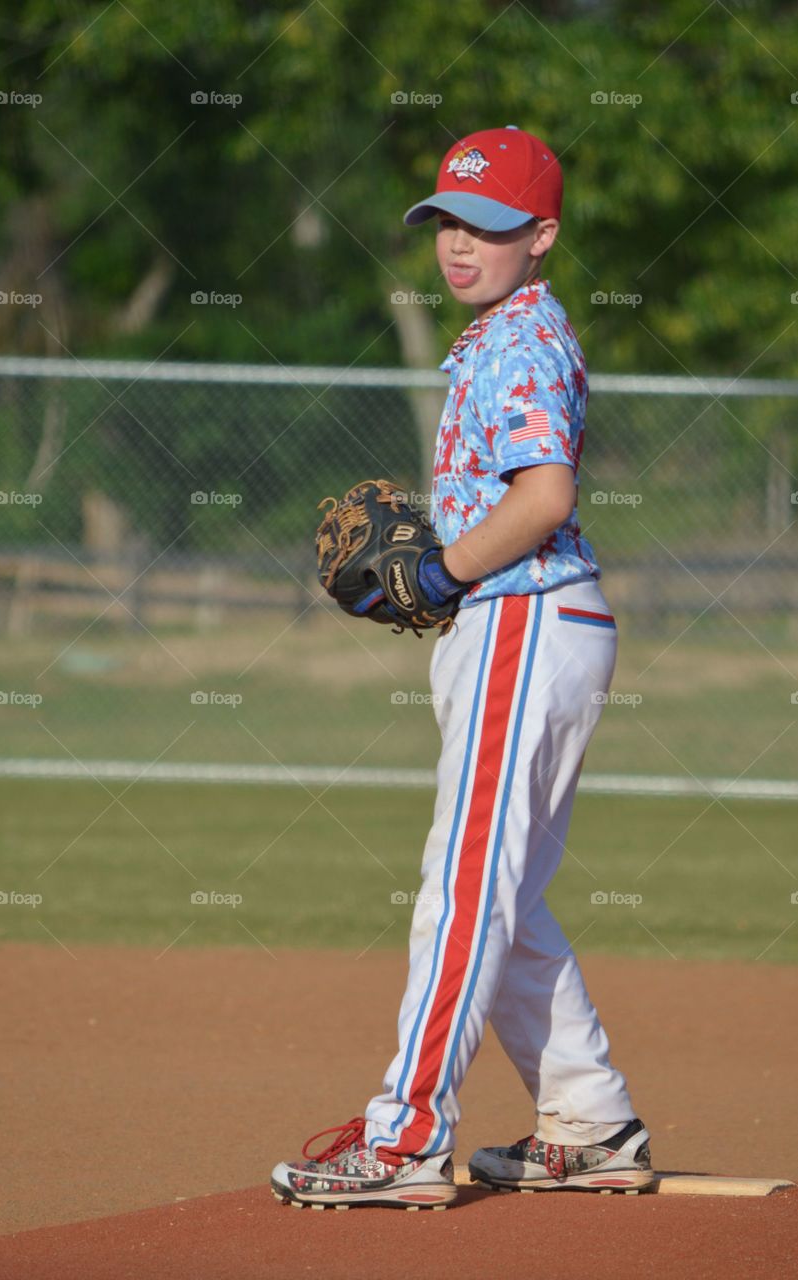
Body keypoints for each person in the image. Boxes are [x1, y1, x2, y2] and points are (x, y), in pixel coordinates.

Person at [271, 126, 652, 1209]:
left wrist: (439, 571)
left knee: (462, 886)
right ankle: (587, 1120)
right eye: (447, 221)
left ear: (540, 236)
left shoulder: (523, 341)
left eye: (488, 226)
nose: (459, 244)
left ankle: (401, 1140)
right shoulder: (497, 335)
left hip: (522, 616)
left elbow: (543, 496)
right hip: (532, 623)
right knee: (509, 893)